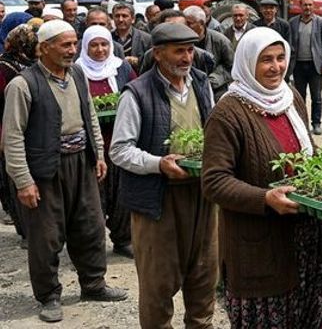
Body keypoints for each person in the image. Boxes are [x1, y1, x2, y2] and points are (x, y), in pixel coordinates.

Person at [202, 28, 322, 328]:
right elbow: (214, 181)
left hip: (306, 237)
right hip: (260, 245)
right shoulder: (228, 113)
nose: (276, 67)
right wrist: (265, 199)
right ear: (248, 63)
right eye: (266, 60)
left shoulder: (290, 97)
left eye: (280, 58)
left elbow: (307, 148)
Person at [3, 20, 127, 322]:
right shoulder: (22, 85)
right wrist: (23, 181)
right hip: (45, 169)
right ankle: (48, 296)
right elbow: (13, 137)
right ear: (44, 48)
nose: (73, 50)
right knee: (46, 236)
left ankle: (93, 284)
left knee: (90, 226)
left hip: (81, 163)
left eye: (74, 44)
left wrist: (98, 154)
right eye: (66, 45)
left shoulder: (77, 74)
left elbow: (90, 116)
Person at [110, 23, 217, 328]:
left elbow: (212, 129)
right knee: (158, 284)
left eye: (190, 50)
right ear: (158, 54)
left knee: (204, 276)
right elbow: (119, 150)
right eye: (179, 51)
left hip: (200, 196)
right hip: (158, 202)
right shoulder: (137, 93)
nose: (187, 58)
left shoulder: (200, 83)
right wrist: (159, 164)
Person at [77, 25, 137, 258]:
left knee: (122, 195)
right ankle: (92, 246)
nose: (100, 49)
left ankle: (123, 239)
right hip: (90, 146)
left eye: (104, 44)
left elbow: (136, 93)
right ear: (85, 47)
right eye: (94, 45)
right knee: (93, 198)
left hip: (120, 141)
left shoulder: (121, 68)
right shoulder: (76, 71)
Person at [0, 20, 37, 247]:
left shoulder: (32, 65)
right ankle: (25, 230)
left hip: (30, 130)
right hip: (9, 129)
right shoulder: (4, 67)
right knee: (15, 181)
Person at [288, 0, 322, 135]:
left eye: (310, 5)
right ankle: (301, 123)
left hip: (315, 66)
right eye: (305, 5)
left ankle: (316, 123)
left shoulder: (321, 23)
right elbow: (290, 44)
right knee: (300, 97)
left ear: (314, 6)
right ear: (300, 6)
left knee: (316, 97)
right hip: (298, 66)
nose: (307, 7)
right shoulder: (293, 23)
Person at [138, 9, 217, 76]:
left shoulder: (202, 57)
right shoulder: (150, 56)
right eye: (172, 28)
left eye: (181, 27)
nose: (187, 59)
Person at [185, 5, 234, 100]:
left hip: (215, 90)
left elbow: (230, 66)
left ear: (201, 23)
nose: (185, 26)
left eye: (189, 23)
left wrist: (213, 80)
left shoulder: (220, 40)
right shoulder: (182, 41)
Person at [112, 2, 152, 70]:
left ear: (133, 19)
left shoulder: (146, 39)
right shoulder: (107, 38)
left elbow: (151, 63)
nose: (120, 20)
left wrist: (138, 61)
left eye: (124, 16)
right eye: (117, 16)